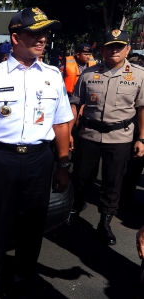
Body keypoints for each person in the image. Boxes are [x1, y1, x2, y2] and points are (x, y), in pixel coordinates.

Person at [0, 8, 72, 299]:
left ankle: (22, 279)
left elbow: (61, 122)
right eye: (35, 33)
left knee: (33, 225)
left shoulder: (52, 76)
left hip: (39, 158)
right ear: (15, 37)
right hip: (1, 158)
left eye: (45, 33)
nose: (42, 39)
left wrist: (62, 164)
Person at [69, 30, 144, 245]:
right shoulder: (88, 74)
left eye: (119, 47)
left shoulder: (139, 75)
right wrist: (71, 134)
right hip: (88, 134)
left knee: (113, 180)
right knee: (82, 176)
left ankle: (105, 221)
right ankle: (75, 208)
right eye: (110, 46)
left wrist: (142, 139)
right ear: (102, 49)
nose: (114, 50)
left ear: (127, 49)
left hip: (120, 137)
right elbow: (75, 104)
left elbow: (141, 110)